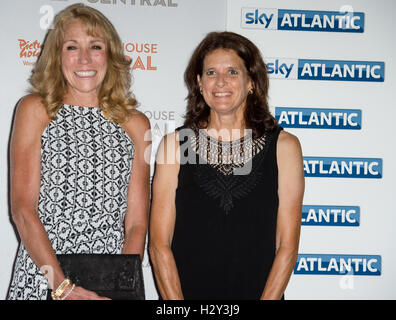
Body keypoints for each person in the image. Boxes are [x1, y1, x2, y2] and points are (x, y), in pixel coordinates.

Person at [7, 3, 151, 300]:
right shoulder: (35, 110)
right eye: (72, 47)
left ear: (110, 56)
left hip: (109, 286)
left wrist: (120, 286)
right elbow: (23, 209)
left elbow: (137, 223)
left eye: (95, 46)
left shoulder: (136, 125)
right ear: (57, 56)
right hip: (43, 278)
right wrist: (62, 286)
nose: (84, 58)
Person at [149, 31, 304, 300]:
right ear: (199, 82)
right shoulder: (175, 145)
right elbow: (159, 245)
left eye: (232, 72)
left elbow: (287, 246)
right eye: (210, 73)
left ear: (251, 82)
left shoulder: (285, 147)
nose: (220, 82)